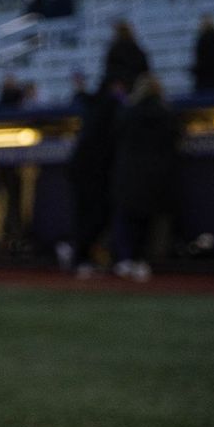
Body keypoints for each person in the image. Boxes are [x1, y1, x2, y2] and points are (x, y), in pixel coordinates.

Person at [112, 73, 181, 281]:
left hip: (130, 173)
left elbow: (115, 137)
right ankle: (140, 260)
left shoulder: (129, 112)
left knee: (126, 218)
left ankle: (125, 259)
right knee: (146, 220)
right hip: (156, 175)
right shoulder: (165, 112)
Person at [61, 72, 119, 278]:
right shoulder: (110, 107)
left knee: (89, 216)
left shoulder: (96, 106)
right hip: (91, 173)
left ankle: (80, 254)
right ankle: (80, 256)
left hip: (87, 171)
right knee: (91, 216)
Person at [101, 20, 150, 92]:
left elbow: (110, 71)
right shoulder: (137, 49)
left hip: (120, 88)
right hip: (136, 87)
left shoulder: (114, 50)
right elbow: (145, 71)